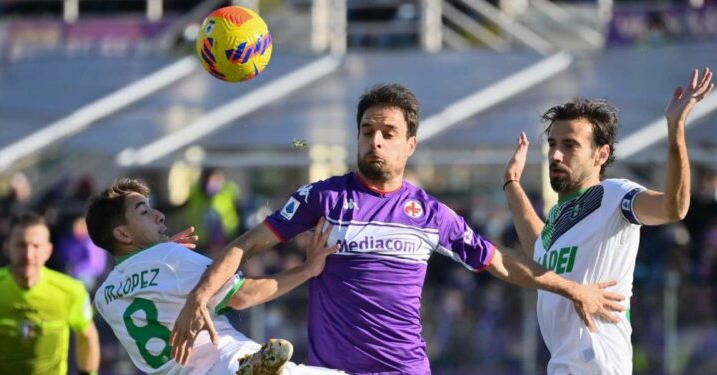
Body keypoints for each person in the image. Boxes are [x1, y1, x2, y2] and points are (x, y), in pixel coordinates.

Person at [169, 83, 627, 374]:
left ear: (410, 144)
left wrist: (574, 290)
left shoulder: (430, 214)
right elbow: (244, 246)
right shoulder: (322, 198)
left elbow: (503, 263)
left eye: (388, 132)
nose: (375, 140)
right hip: (333, 371)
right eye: (367, 130)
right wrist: (199, 296)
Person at [502, 68, 713, 374]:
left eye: (570, 145)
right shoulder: (559, 217)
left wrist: (675, 129)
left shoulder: (614, 196)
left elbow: (673, 208)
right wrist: (512, 184)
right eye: (552, 144)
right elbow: (538, 248)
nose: (556, 155)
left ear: (601, 155)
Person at [85, 178, 345, 374]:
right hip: (230, 363)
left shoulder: (104, 298)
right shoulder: (170, 259)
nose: (159, 215)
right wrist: (308, 269)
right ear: (123, 235)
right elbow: (242, 296)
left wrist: (155, 254)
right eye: (143, 212)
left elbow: (149, 286)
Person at [0, 212, 100, 375]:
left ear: (48, 250)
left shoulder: (71, 291)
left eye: (36, 246)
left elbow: (86, 335)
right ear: (7, 247)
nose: (28, 255)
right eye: (21, 245)